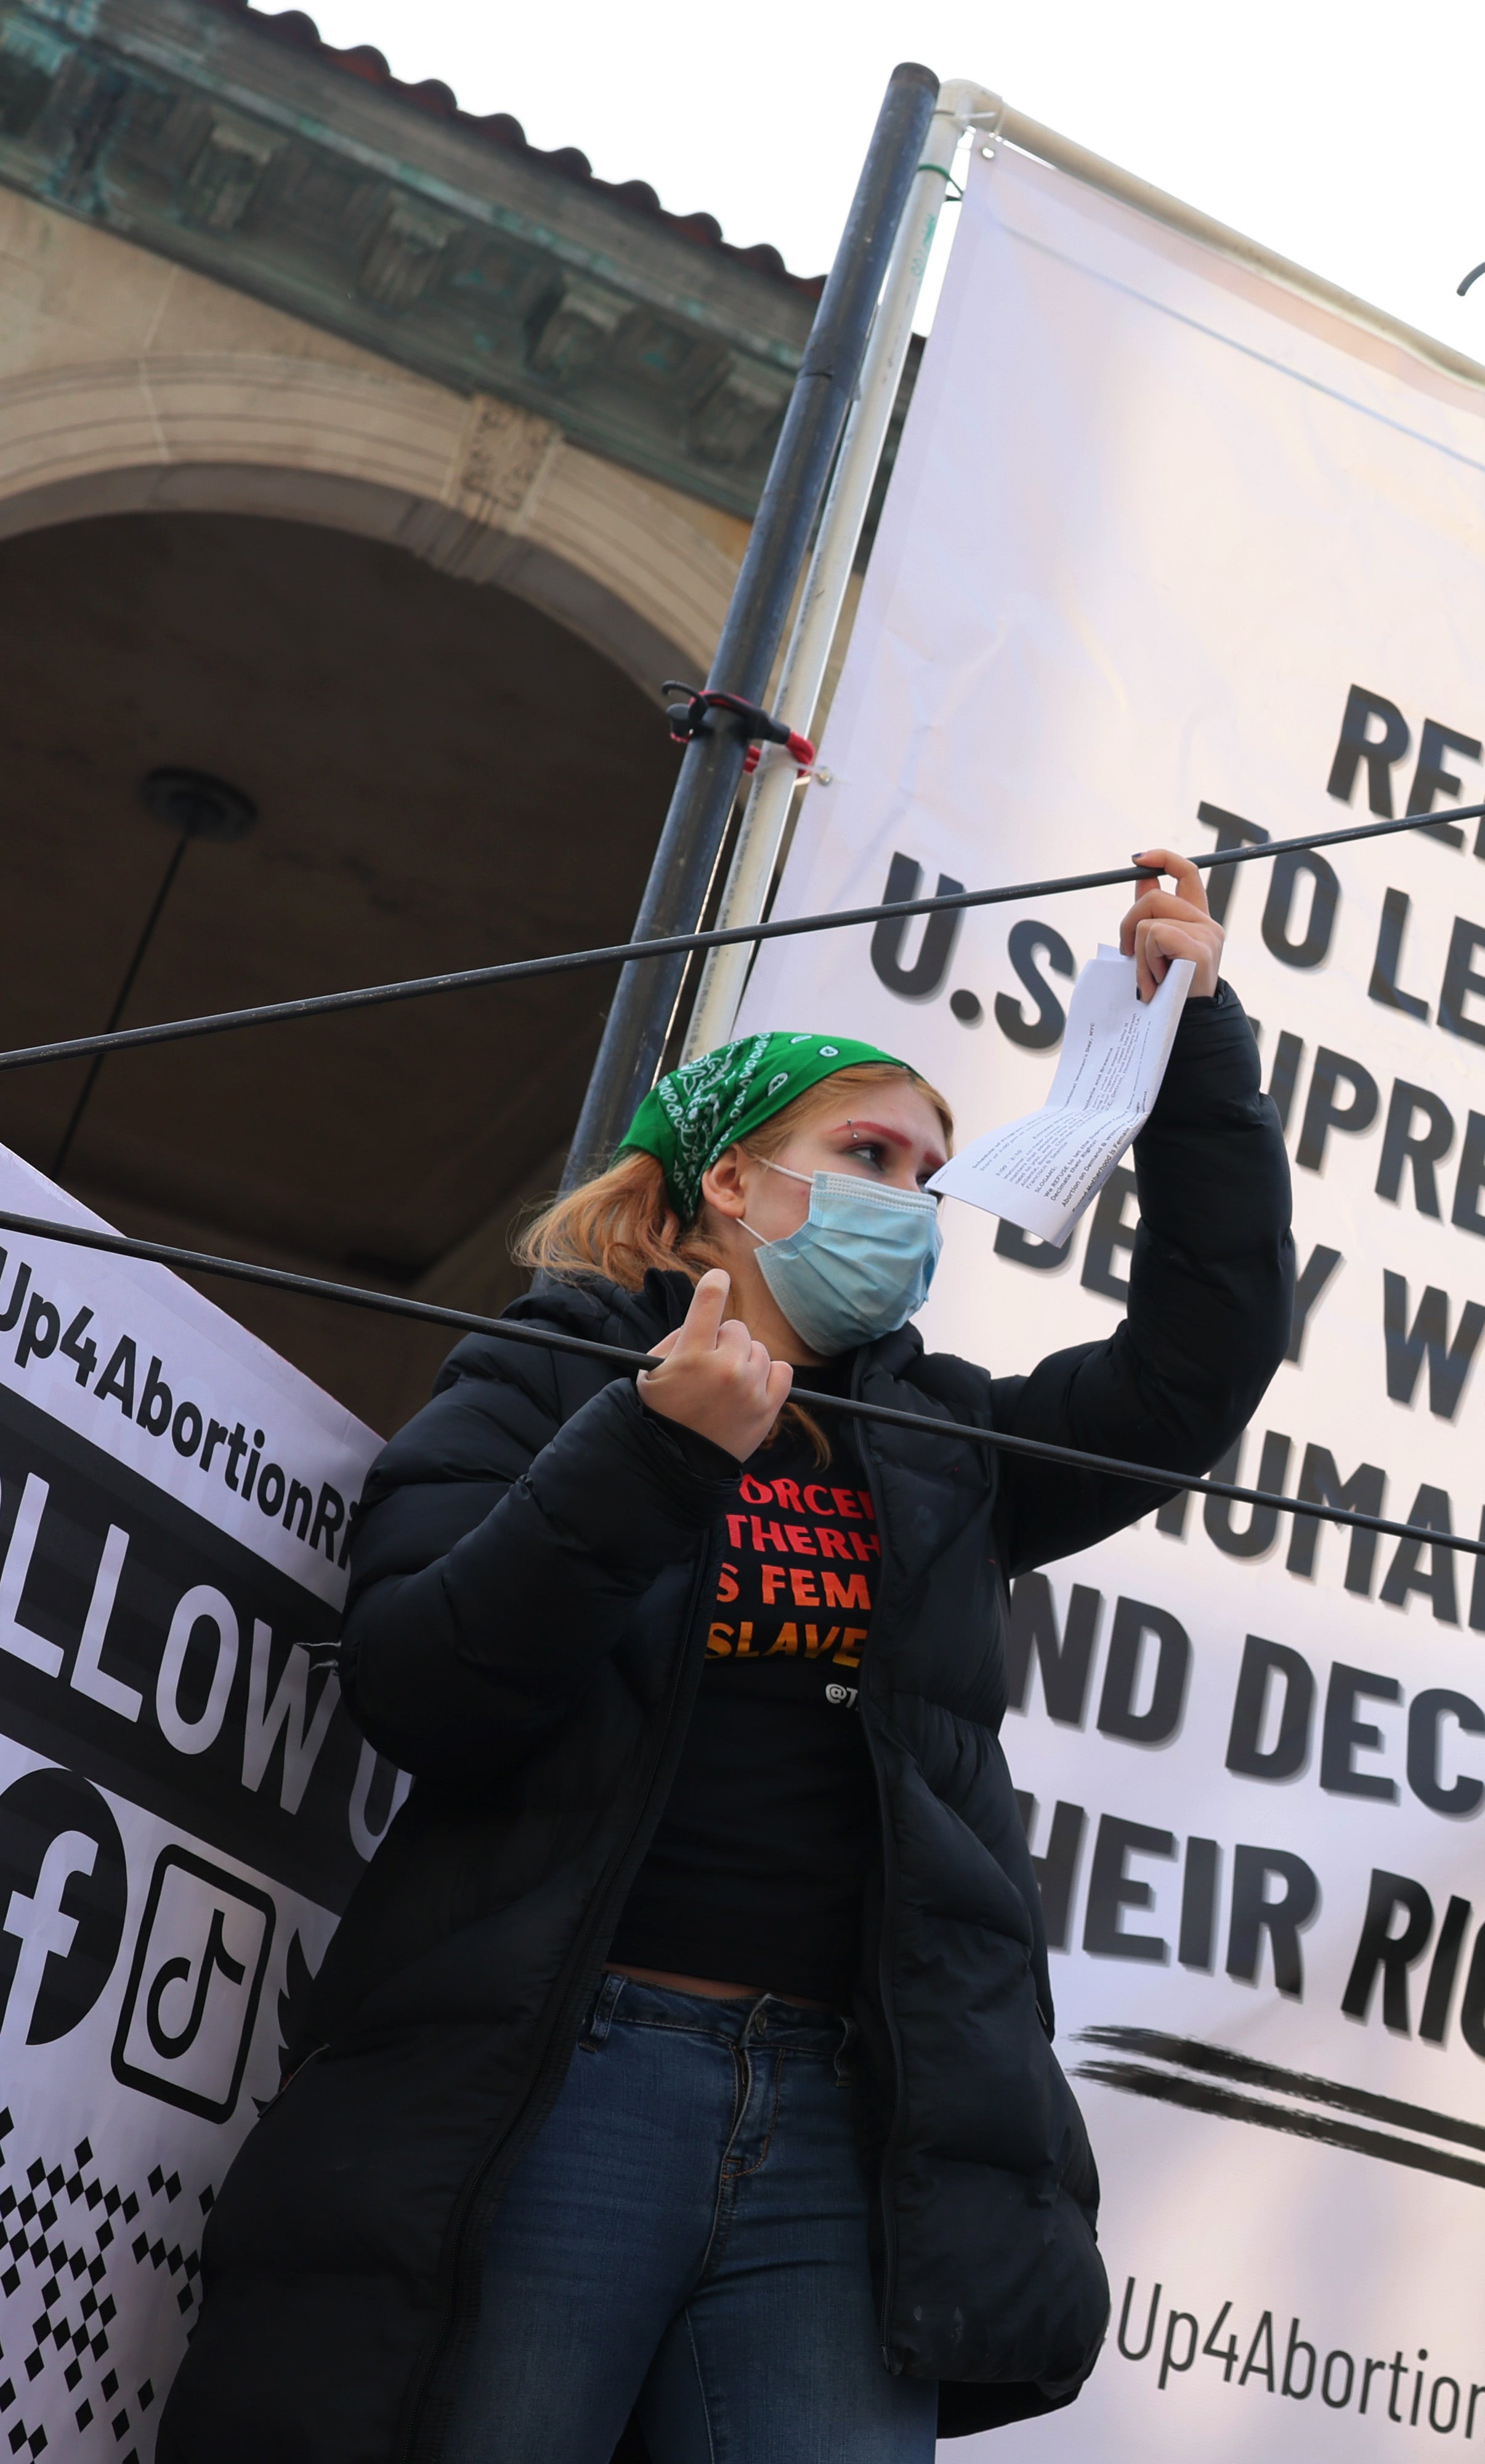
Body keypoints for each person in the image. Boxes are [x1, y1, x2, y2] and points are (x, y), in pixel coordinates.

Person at [164, 851, 1292, 2463]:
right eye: (869, 1153)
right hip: (561, 2091)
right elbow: (419, 1683)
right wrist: (654, 1457)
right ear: (732, 1191)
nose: (914, 1194)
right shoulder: (547, 1380)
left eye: (933, 1166)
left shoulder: (942, 1440)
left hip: (848, 2131)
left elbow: (1196, 1370)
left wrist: (1188, 1051)